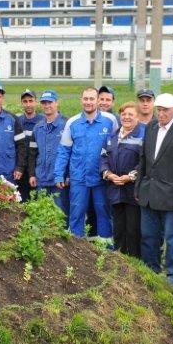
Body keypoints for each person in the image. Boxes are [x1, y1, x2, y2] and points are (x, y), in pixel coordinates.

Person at [135, 92, 173, 285]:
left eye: (165, 110)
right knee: (148, 235)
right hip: (149, 193)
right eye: (159, 110)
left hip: (171, 196)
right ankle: (151, 268)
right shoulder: (151, 127)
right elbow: (143, 160)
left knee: (172, 237)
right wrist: (138, 188)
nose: (161, 114)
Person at [55, 87, 112, 238]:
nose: (88, 102)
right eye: (85, 98)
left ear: (98, 100)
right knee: (76, 213)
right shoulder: (72, 123)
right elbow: (64, 150)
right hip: (79, 177)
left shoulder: (109, 121)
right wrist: (59, 174)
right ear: (81, 100)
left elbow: (116, 147)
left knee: (104, 214)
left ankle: (106, 248)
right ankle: (76, 247)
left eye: (92, 98)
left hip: (102, 177)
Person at [101, 102, 146, 257]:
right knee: (118, 228)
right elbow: (103, 157)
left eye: (130, 114)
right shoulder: (111, 136)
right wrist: (108, 174)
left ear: (138, 117)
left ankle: (134, 261)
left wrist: (131, 176)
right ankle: (120, 260)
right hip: (115, 189)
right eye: (124, 114)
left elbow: (145, 161)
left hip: (133, 191)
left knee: (133, 229)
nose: (126, 117)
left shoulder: (144, 135)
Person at [27, 90, 68, 212]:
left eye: (50, 102)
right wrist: (32, 174)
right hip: (41, 179)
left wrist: (68, 176)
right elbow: (32, 154)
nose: (47, 105)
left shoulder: (67, 125)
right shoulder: (37, 127)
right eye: (44, 103)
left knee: (60, 214)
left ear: (56, 103)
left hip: (59, 180)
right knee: (43, 213)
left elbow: (73, 153)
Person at [15, 88, 44, 201]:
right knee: (21, 201)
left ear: (36, 102)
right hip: (20, 170)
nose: (28, 104)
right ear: (22, 103)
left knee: (37, 200)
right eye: (25, 101)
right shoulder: (17, 121)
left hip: (38, 169)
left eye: (31, 101)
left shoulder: (43, 121)